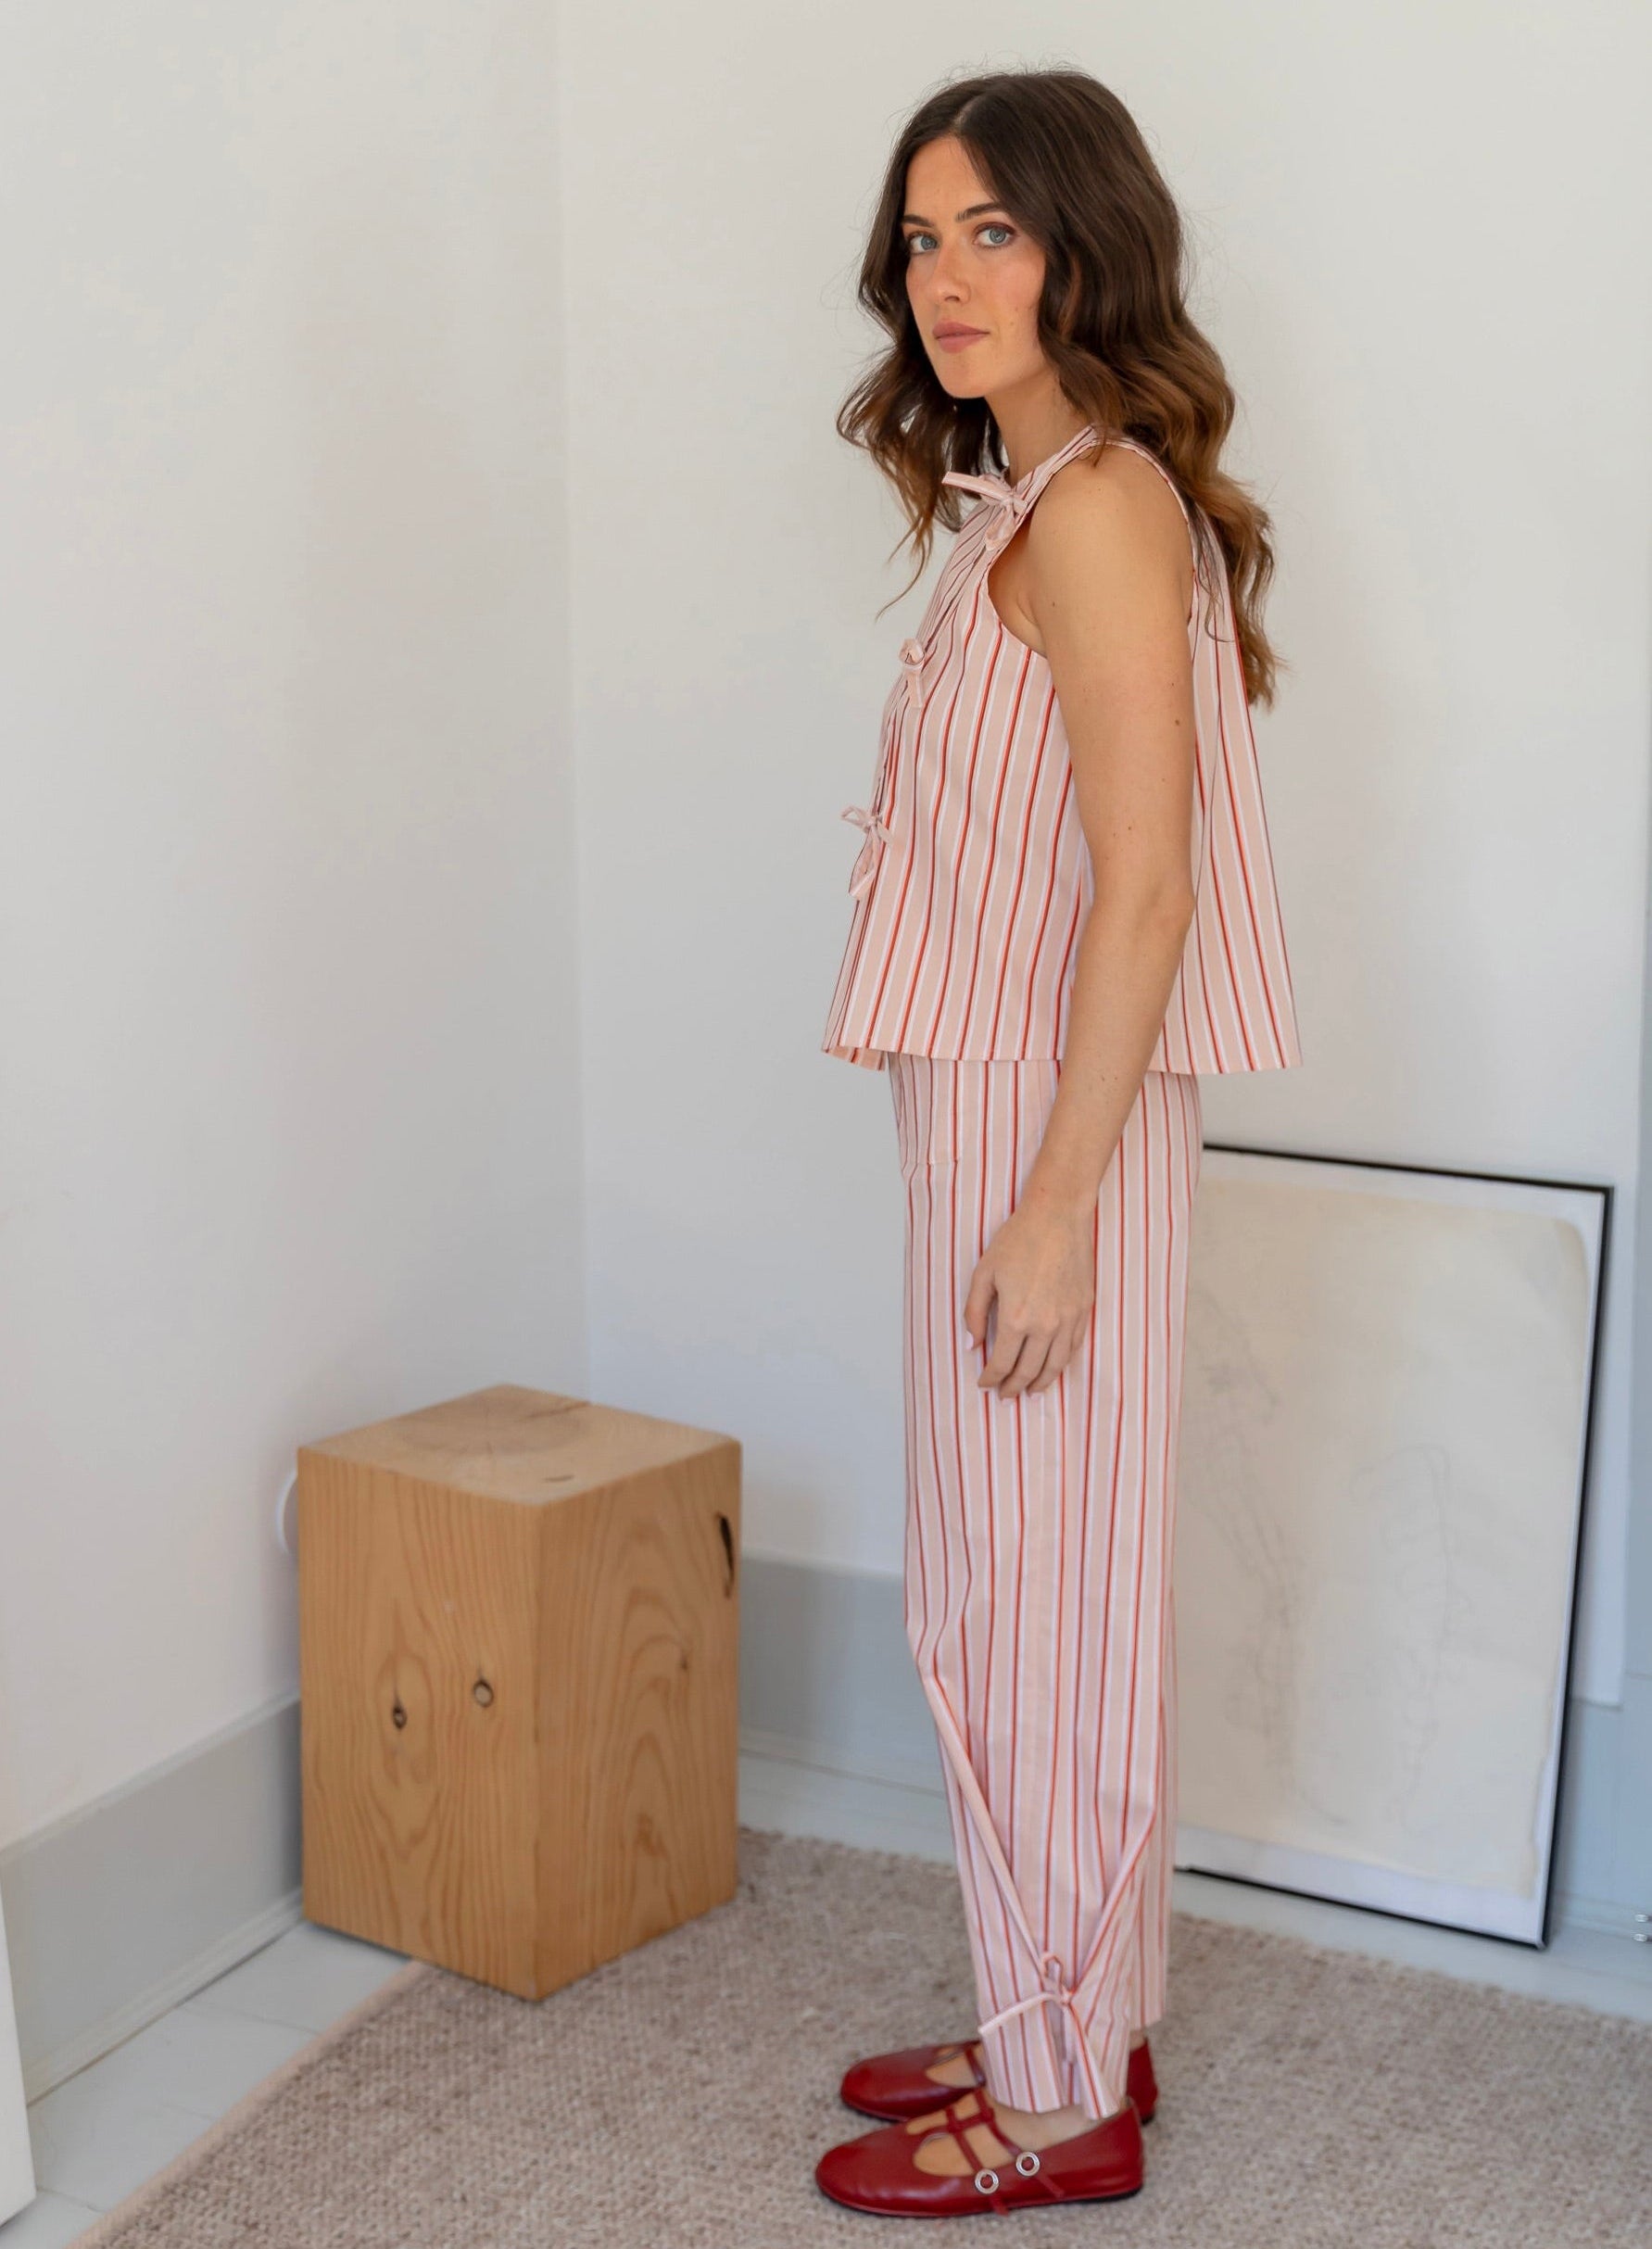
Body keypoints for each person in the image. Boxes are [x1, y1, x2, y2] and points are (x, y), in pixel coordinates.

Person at [814, 66, 1304, 2219]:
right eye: (923, 238)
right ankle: (1068, 2016)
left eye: (991, 231)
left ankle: (1056, 2100)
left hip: (1047, 1118)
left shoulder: (1095, 507)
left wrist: (1054, 1205)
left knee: (1032, 1612)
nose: (945, 276)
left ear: (1084, 245)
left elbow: (1149, 888)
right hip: (1002, 1101)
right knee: (1030, 1592)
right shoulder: (1029, 502)